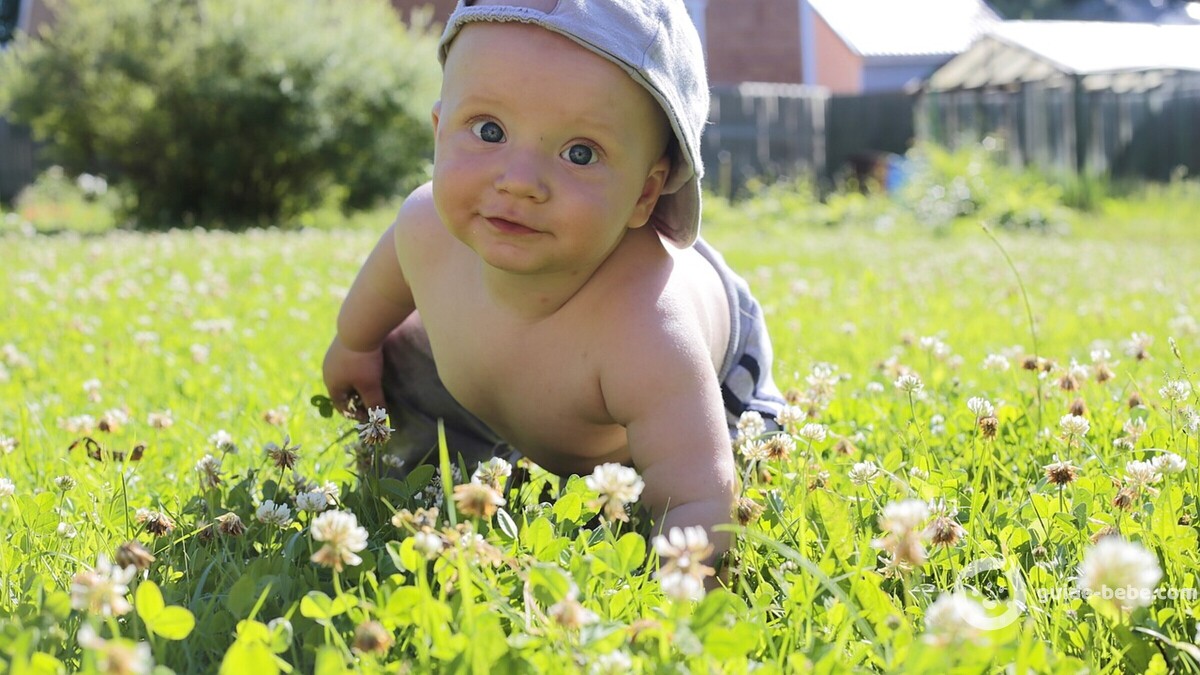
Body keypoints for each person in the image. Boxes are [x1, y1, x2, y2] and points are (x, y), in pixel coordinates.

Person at [322, 0, 785, 561]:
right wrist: (356, 344)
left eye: (580, 153)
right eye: (489, 130)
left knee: (740, 467)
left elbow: (698, 500)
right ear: (440, 132)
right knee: (407, 359)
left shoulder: (649, 329)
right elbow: (378, 297)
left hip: (716, 361)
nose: (520, 182)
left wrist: (687, 587)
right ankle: (451, 473)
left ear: (644, 193)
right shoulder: (424, 228)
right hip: (495, 377)